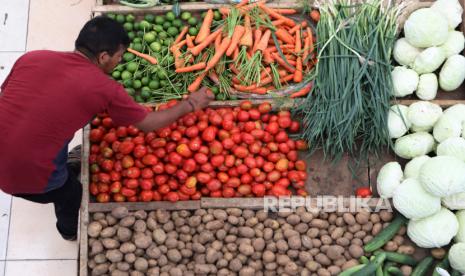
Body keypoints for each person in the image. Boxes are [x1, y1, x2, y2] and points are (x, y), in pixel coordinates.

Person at [0, 16, 213, 241]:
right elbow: (149, 123)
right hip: (22, 177)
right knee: (71, 195)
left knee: (48, 136)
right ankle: (69, 232)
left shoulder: (33, 57)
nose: (119, 63)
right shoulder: (104, 88)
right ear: (103, 57)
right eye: (119, 57)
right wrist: (190, 104)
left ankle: (64, 166)